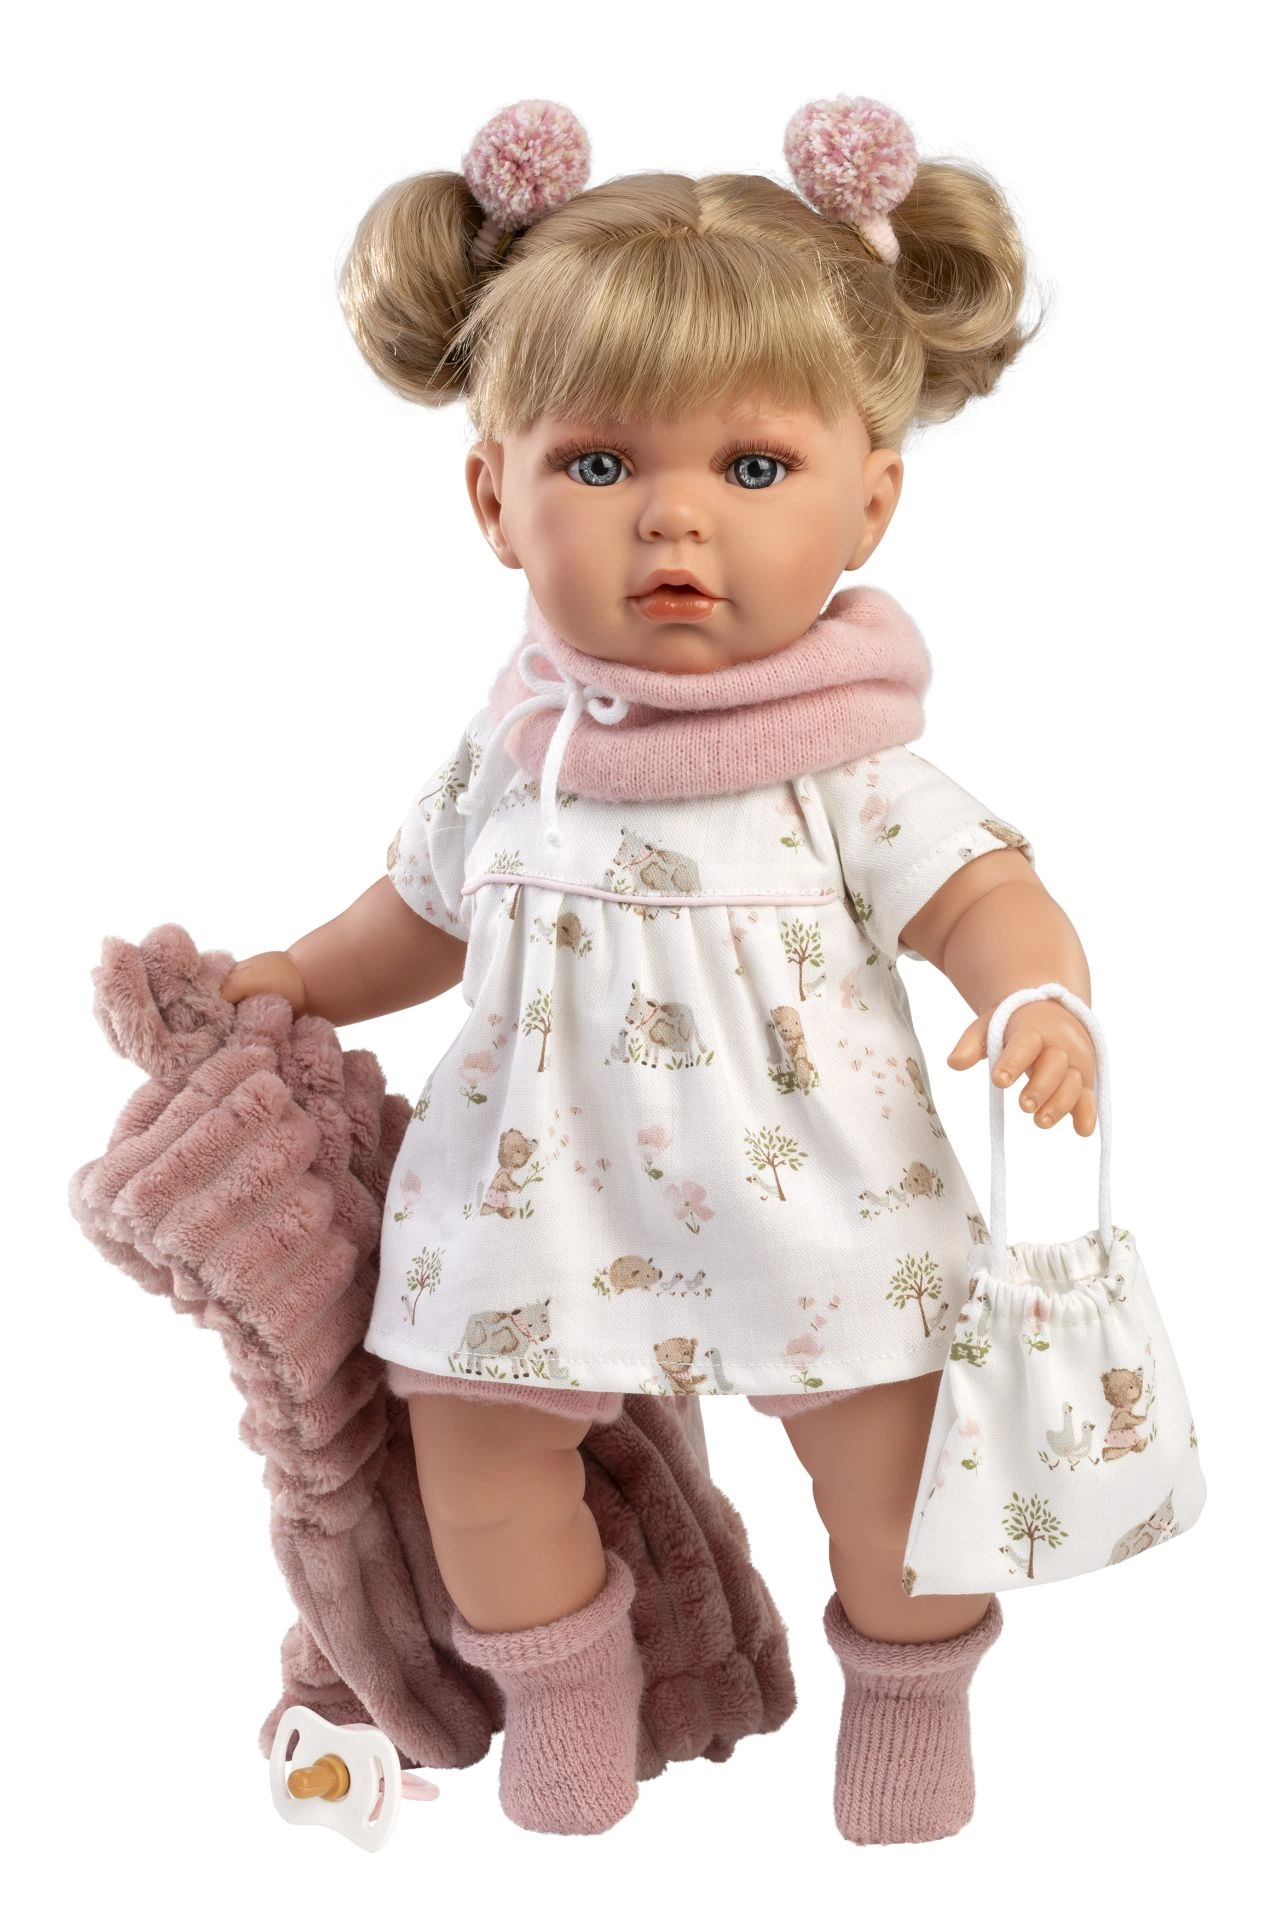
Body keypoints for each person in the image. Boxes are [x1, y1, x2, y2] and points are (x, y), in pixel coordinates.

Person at [221, 95, 1096, 1843]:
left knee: (905, 1484)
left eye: (752, 471)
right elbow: (419, 914)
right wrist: (300, 978)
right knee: (475, 1457)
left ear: (870, 499)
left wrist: (1035, 996)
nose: (673, 524)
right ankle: (567, 1702)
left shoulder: (846, 766)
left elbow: (981, 892)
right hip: (532, 1197)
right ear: (496, 495)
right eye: (602, 466)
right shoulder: (517, 752)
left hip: (825, 1203)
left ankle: (910, 1703)